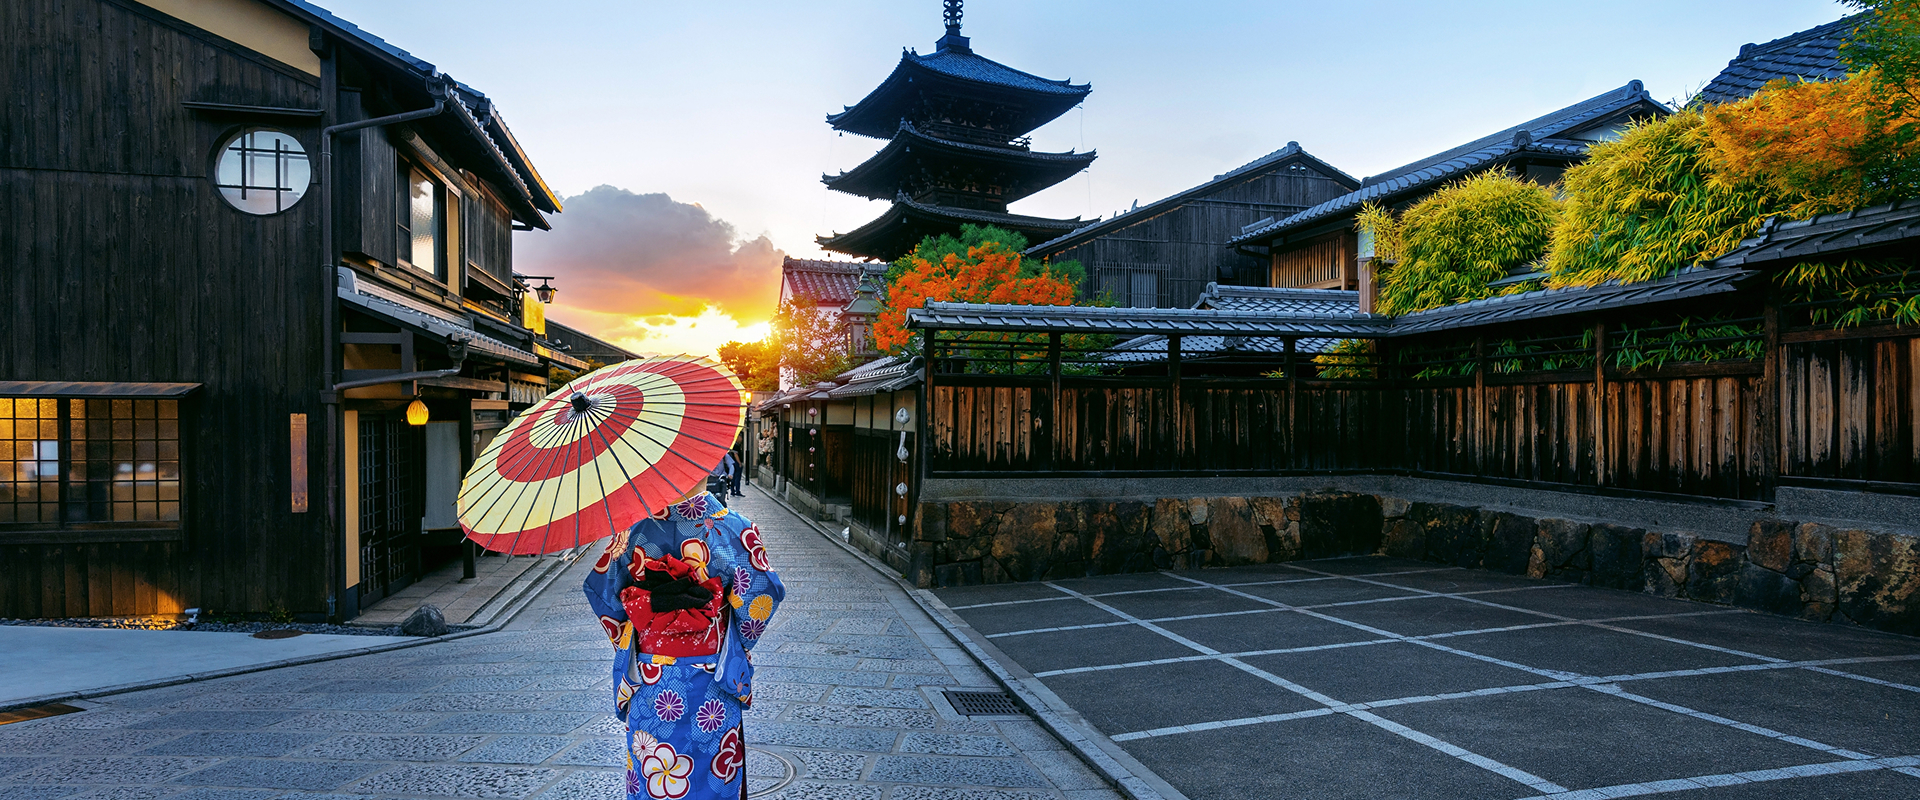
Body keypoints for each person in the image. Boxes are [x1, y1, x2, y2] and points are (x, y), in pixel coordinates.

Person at [583, 483, 784, 800]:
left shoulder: (630, 532)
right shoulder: (738, 529)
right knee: (716, 778)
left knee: (657, 774)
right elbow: (763, 595)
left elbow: (604, 597)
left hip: (652, 681)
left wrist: (646, 632)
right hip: (714, 679)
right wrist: (733, 642)